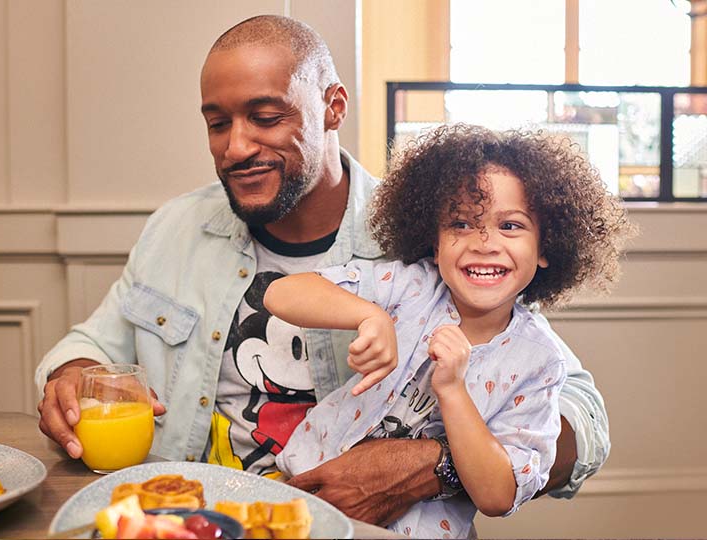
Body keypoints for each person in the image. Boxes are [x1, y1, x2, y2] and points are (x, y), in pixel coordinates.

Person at [35, 14, 611, 527]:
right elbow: (94, 345)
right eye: (217, 123)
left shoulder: (437, 242)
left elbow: (581, 420)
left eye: (265, 116)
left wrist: (437, 466)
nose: (235, 147)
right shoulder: (175, 228)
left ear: (333, 106)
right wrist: (71, 374)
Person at [264, 123, 635, 537]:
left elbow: (497, 496)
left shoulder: (540, 361)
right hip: (296, 499)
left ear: (546, 247)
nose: (484, 242)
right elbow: (282, 292)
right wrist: (371, 316)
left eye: (510, 226)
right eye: (460, 224)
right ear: (435, 242)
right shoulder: (410, 287)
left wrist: (454, 390)